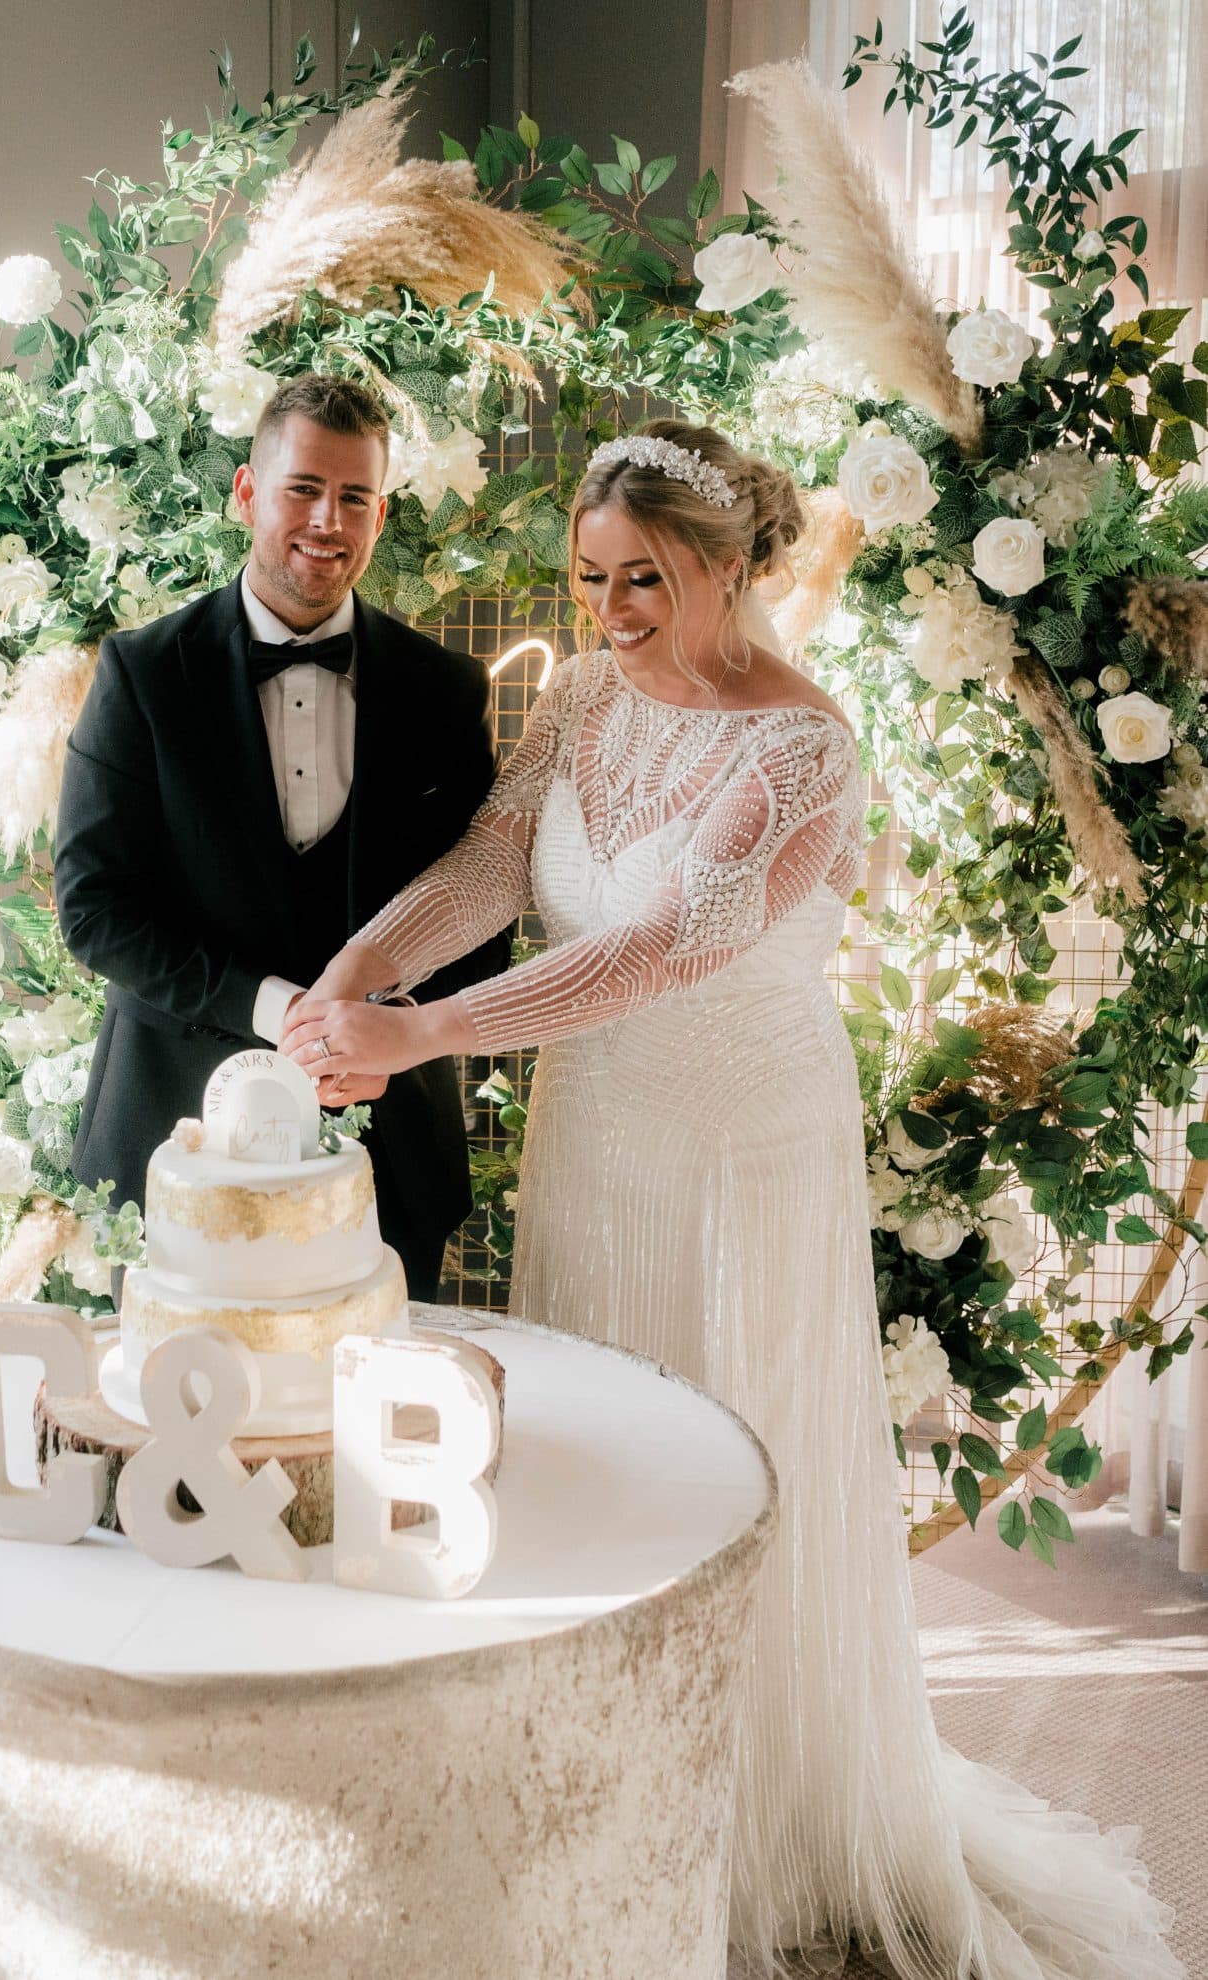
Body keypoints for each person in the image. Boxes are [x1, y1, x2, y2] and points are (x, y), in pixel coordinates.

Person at [281, 422, 1181, 1978]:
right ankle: (599, 1798)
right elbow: (498, 866)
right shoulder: (576, 705)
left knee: (732, 1458)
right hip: (599, 1134)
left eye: (645, 577)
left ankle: (751, 1821)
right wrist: (361, 969)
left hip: (745, 1149)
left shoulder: (801, 751)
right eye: (592, 576)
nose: (613, 606)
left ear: (726, 567)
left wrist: (416, 1035)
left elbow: (650, 953)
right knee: (597, 1458)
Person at [55, 372, 510, 1300]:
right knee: (184, 1420)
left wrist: (383, 1036)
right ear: (247, 492)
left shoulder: (444, 691)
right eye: (303, 487)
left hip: (389, 1150)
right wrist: (283, 1017)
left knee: (377, 1421)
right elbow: (96, 909)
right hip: (174, 1135)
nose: (327, 522)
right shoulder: (141, 676)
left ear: (379, 516)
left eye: (355, 497)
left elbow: (480, 915)